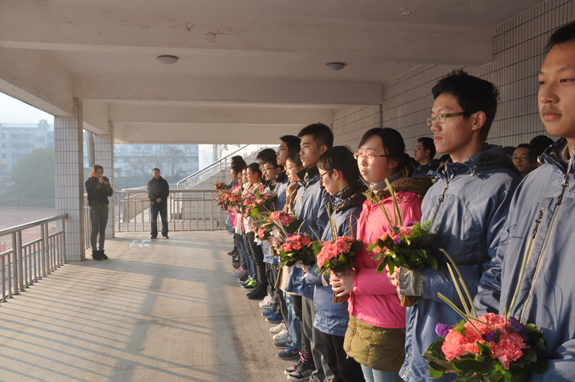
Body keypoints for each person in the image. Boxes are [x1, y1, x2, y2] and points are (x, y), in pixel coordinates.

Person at [390, 70, 521, 382]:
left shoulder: (502, 187)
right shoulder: (438, 185)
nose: (434, 126)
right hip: (421, 341)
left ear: (476, 120)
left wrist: (420, 280)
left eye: (444, 116)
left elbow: (501, 284)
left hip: (462, 358)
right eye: (432, 117)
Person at [474, 20, 575, 381]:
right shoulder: (534, 183)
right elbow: (502, 266)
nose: (547, 95)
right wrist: (483, 331)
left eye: (566, 80)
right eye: (541, 81)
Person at [330, 128, 429, 382]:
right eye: (359, 154)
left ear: (393, 161)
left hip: (389, 320)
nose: (362, 161)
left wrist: (356, 282)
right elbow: (371, 259)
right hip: (363, 313)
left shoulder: (406, 205)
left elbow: (408, 274)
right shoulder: (371, 200)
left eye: (371, 155)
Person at [304, 146, 367, 382]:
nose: (322, 183)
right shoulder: (342, 205)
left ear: (336, 174)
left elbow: (344, 266)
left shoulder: (353, 212)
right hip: (329, 307)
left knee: (345, 371)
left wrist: (311, 274)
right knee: (334, 365)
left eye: (323, 176)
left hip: (340, 309)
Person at [85, 164, 113, 260]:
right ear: (93, 172)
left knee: (102, 230)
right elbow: (92, 194)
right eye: (98, 172)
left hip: (104, 208)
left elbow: (110, 193)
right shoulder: (89, 182)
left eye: (101, 172)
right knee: (95, 230)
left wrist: (107, 184)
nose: (100, 174)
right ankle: (94, 251)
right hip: (95, 209)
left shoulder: (103, 181)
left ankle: (101, 250)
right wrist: (100, 184)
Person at [147, 168, 169, 239]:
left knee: (164, 219)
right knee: (153, 220)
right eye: (154, 172)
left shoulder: (164, 182)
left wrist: (161, 198)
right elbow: (149, 193)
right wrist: (156, 199)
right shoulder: (150, 183)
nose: (156, 173)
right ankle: (154, 234)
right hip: (154, 204)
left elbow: (166, 192)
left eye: (157, 172)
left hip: (163, 204)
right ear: (152, 174)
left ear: (160, 173)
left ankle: (165, 234)